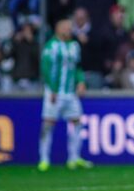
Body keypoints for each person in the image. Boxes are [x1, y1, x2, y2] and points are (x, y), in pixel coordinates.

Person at [38, 19, 93, 172]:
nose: (69, 30)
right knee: (48, 125)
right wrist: (53, 88)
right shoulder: (51, 46)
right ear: (57, 29)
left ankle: (73, 158)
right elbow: (46, 68)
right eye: (65, 27)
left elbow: (77, 67)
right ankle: (44, 159)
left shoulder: (74, 46)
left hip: (70, 93)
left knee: (77, 122)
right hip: (54, 92)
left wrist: (81, 81)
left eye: (70, 27)